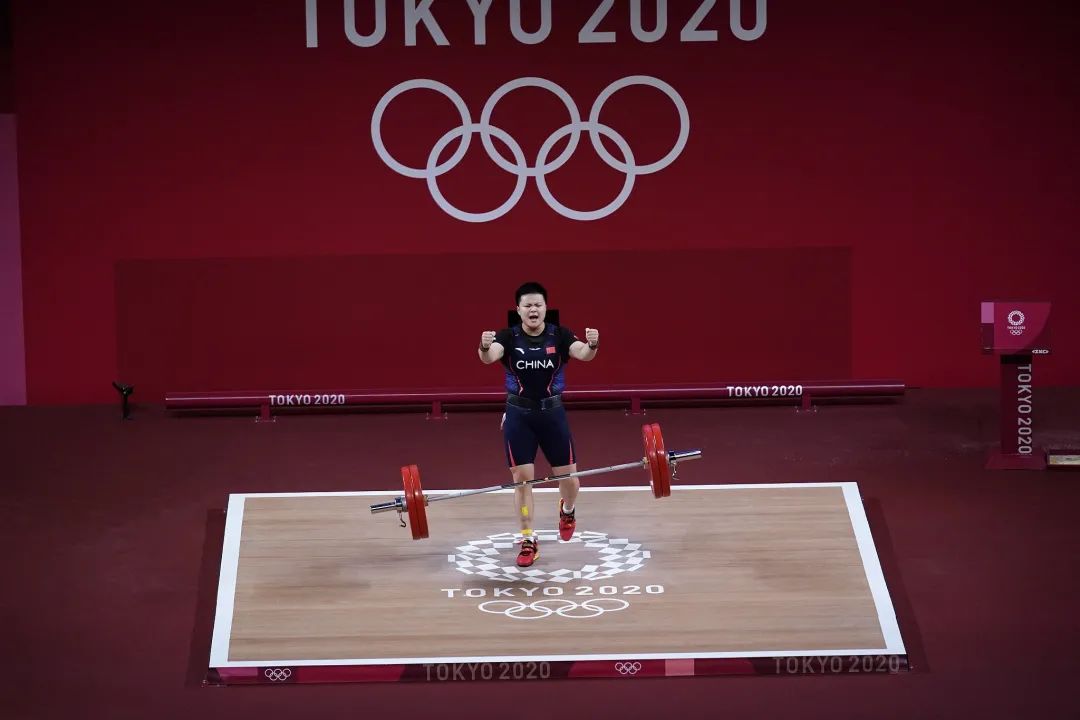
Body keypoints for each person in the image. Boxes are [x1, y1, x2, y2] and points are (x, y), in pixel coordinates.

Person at [478, 282, 599, 568]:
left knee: (570, 480)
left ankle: (567, 510)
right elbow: (489, 357)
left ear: (545, 308)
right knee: (522, 480)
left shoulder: (560, 334)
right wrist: (483, 346)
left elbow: (583, 353)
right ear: (519, 310)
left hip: (552, 415)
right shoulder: (508, 337)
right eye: (528, 305)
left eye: (538, 305)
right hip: (519, 416)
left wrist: (593, 344)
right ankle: (527, 539)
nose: (533, 309)